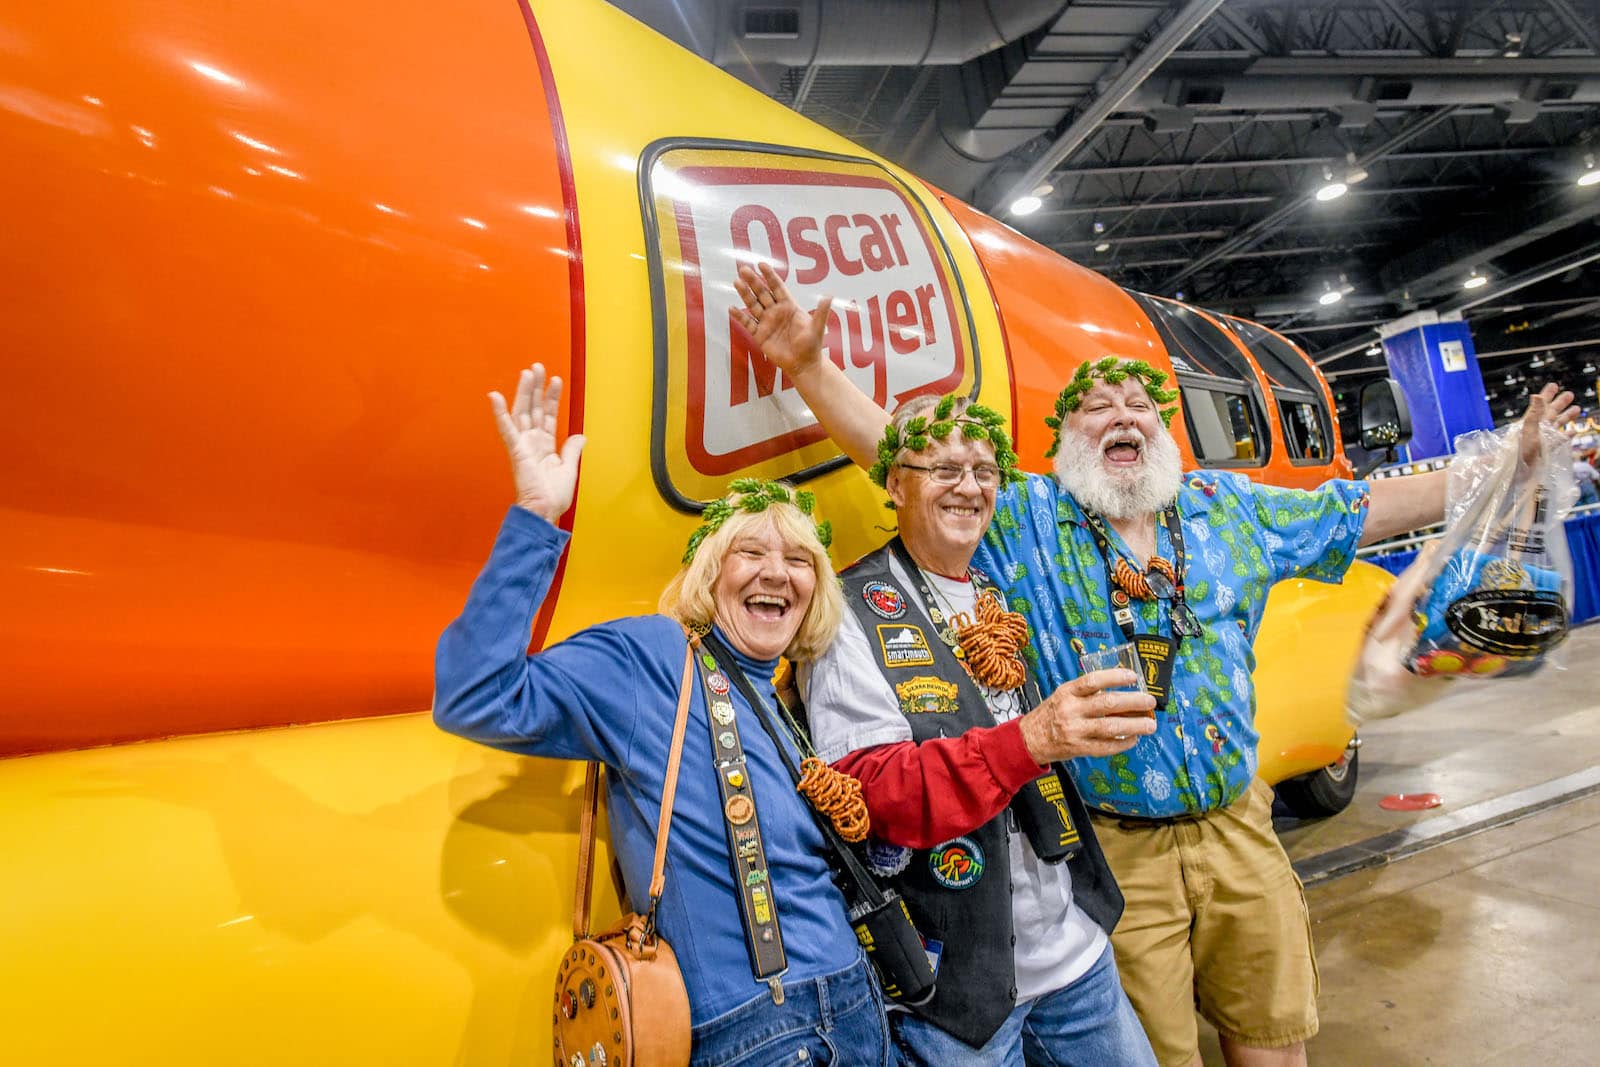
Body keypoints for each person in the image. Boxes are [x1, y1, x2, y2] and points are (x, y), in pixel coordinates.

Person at [730, 261, 1577, 1067]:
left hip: (1240, 825)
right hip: (1117, 848)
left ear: (1162, 429)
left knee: (1272, 1026)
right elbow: (912, 458)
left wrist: (1507, 461)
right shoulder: (1032, 518)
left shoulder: (1229, 509)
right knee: (1157, 1049)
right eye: (1096, 406)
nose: (1122, 413)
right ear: (1067, 438)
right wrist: (809, 367)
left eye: (1138, 401)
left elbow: (1361, 508)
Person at [433, 363, 895, 1066]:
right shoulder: (651, 656)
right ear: (712, 574)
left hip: (858, 1009)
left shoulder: (787, 695)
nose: (778, 571)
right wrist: (534, 517)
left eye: (800, 559)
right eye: (752, 550)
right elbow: (478, 694)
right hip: (754, 1032)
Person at [793, 394, 1160, 1065]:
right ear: (895, 482)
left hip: (1076, 956)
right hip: (956, 993)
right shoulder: (847, 613)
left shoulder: (997, 590)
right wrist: (1033, 739)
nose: (970, 485)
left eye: (985, 469)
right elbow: (873, 796)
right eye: (945, 469)